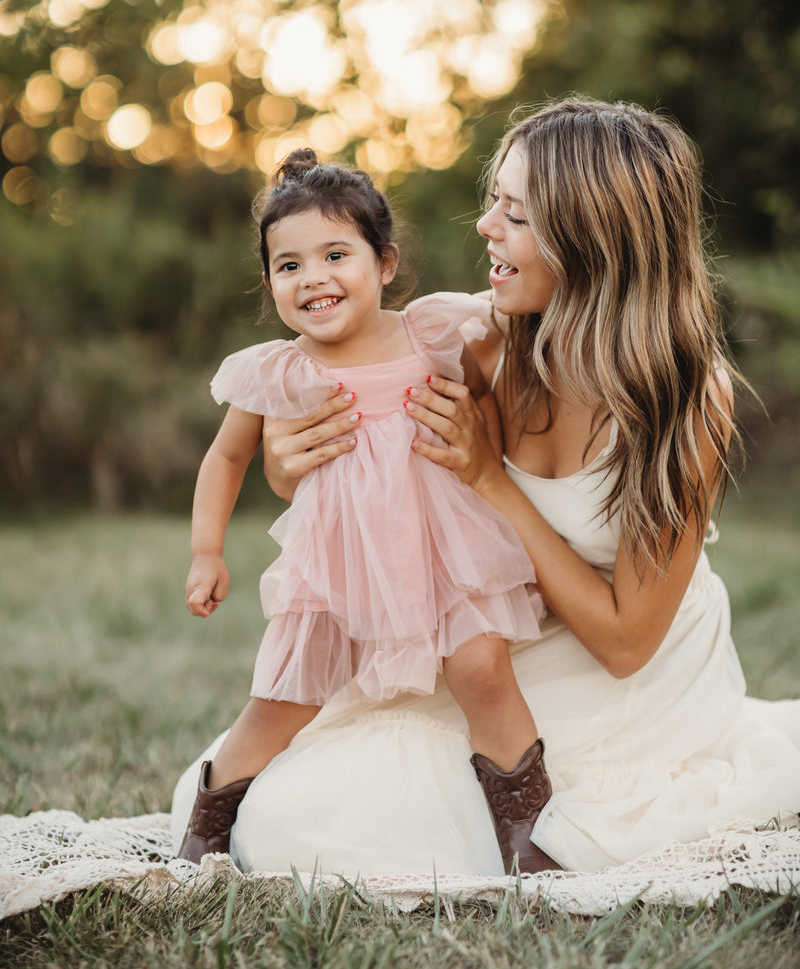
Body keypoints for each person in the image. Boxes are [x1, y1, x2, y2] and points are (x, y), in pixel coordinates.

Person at [172, 98, 800, 876]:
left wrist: (489, 480)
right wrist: (286, 462)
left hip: (634, 662)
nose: (485, 228)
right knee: (292, 808)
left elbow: (625, 642)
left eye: (517, 214)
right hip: (520, 628)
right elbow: (377, 456)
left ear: (592, 238)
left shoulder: (686, 395)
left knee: (350, 825)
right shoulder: (484, 343)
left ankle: (529, 838)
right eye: (494, 202)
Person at [176, 149, 553, 872]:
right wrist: (205, 551)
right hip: (338, 566)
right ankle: (210, 823)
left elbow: (485, 411)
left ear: (385, 264)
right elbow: (225, 460)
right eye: (288, 266)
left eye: (335, 254)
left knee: (482, 669)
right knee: (282, 698)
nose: (312, 277)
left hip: (447, 552)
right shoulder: (279, 370)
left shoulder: (431, 334)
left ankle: (525, 827)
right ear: (269, 284)